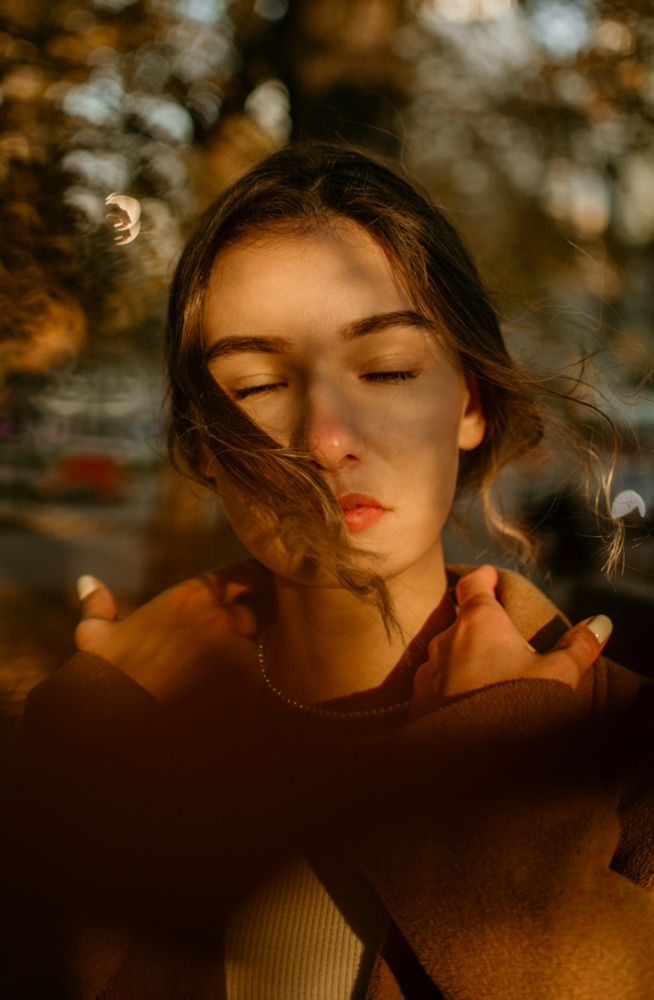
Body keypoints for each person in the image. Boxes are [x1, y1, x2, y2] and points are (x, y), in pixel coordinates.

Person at [2, 142, 654, 1000]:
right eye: (256, 385)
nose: (325, 439)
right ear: (202, 443)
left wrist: (499, 819)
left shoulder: (623, 751)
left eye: (387, 369)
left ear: (471, 400)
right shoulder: (115, 739)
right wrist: (80, 761)